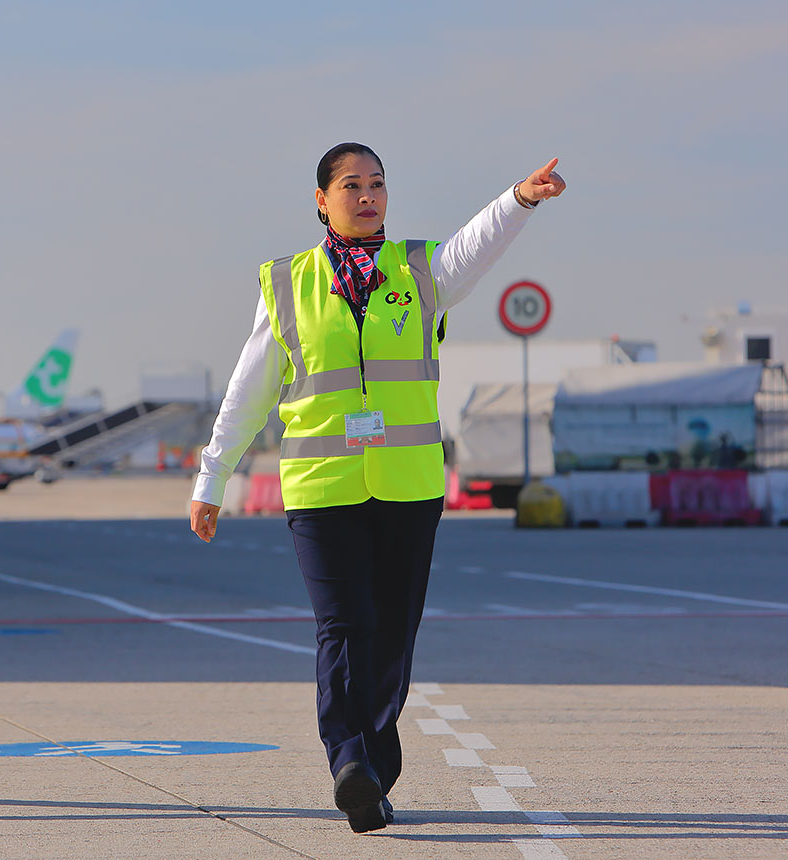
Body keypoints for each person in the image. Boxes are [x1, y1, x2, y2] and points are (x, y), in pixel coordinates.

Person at [189, 143, 564, 833]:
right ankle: (349, 761)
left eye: (379, 185)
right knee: (344, 625)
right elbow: (249, 388)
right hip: (321, 486)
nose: (369, 197)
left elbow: (473, 248)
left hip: (407, 485)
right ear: (321, 199)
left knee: (392, 631)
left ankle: (371, 767)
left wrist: (518, 200)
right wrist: (213, 475)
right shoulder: (287, 283)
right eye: (353, 185)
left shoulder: (420, 273)